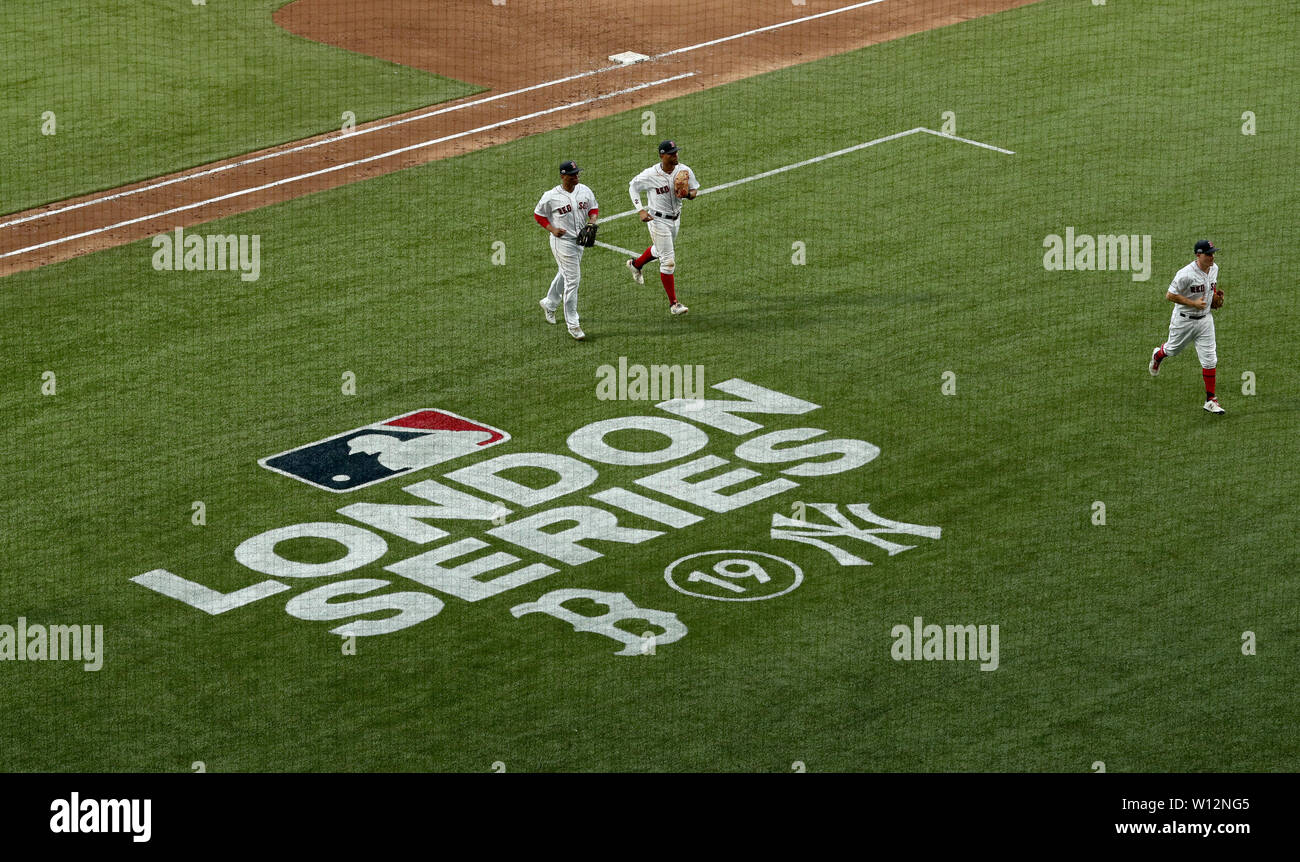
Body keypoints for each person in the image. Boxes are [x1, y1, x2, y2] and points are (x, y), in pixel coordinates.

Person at [1149, 239, 1225, 413]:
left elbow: (1209, 292)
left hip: (1205, 320)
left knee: (1210, 359)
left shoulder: (1215, 269)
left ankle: (1210, 400)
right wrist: (1193, 303)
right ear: (1198, 255)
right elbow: (1170, 295)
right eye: (1208, 254)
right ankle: (1158, 355)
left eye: (1213, 253)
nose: (1212, 256)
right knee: (1172, 350)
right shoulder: (1185, 274)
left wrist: (1216, 300)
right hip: (1184, 321)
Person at [626, 140, 698, 316]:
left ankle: (635, 264)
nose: (675, 155)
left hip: (676, 220)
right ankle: (674, 304)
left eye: (676, 152)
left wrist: (687, 194)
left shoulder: (684, 171)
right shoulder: (650, 174)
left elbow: (695, 190)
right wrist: (641, 210)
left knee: (659, 251)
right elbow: (632, 187)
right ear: (662, 155)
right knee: (668, 260)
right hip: (657, 220)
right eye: (671, 153)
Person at [534, 160, 598, 340]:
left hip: (579, 242)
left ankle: (549, 303)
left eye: (577, 173)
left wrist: (591, 223)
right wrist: (552, 229)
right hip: (561, 242)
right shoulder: (551, 196)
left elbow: (594, 208)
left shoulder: (584, 190)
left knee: (565, 273)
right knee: (573, 279)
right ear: (563, 176)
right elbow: (538, 215)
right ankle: (573, 324)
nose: (577, 176)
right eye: (573, 174)